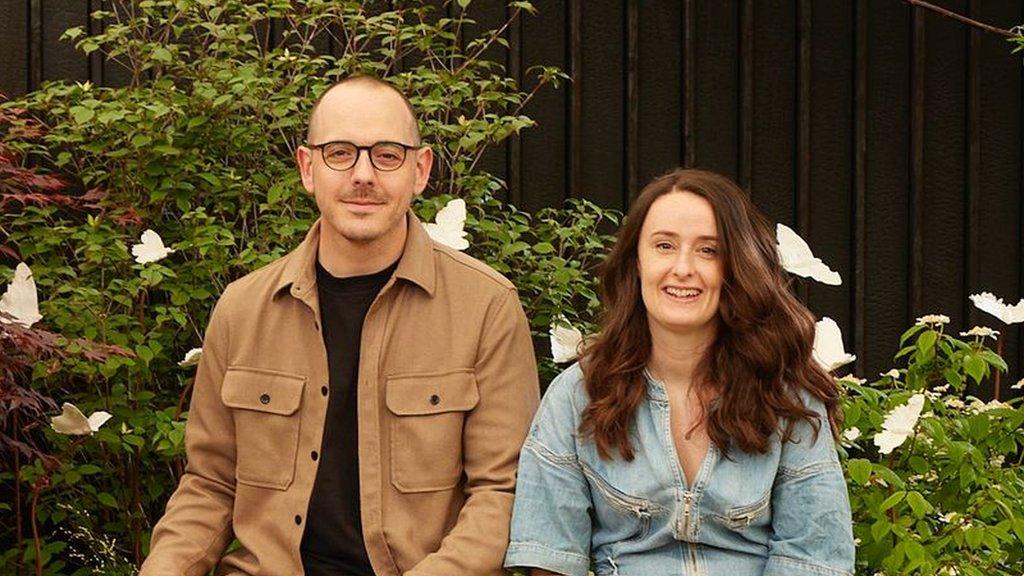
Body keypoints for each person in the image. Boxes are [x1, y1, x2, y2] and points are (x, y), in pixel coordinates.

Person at [141, 75, 540, 576]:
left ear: (421, 170)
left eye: (387, 155)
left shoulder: (486, 308)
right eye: (340, 153)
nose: (363, 175)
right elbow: (210, 483)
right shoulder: (242, 311)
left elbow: (503, 494)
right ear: (308, 168)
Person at [504, 168, 855, 576]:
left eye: (708, 250)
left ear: (735, 266)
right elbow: (551, 559)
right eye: (664, 246)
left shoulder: (784, 393)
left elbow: (814, 559)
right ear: (637, 261)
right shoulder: (578, 396)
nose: (683, 268)